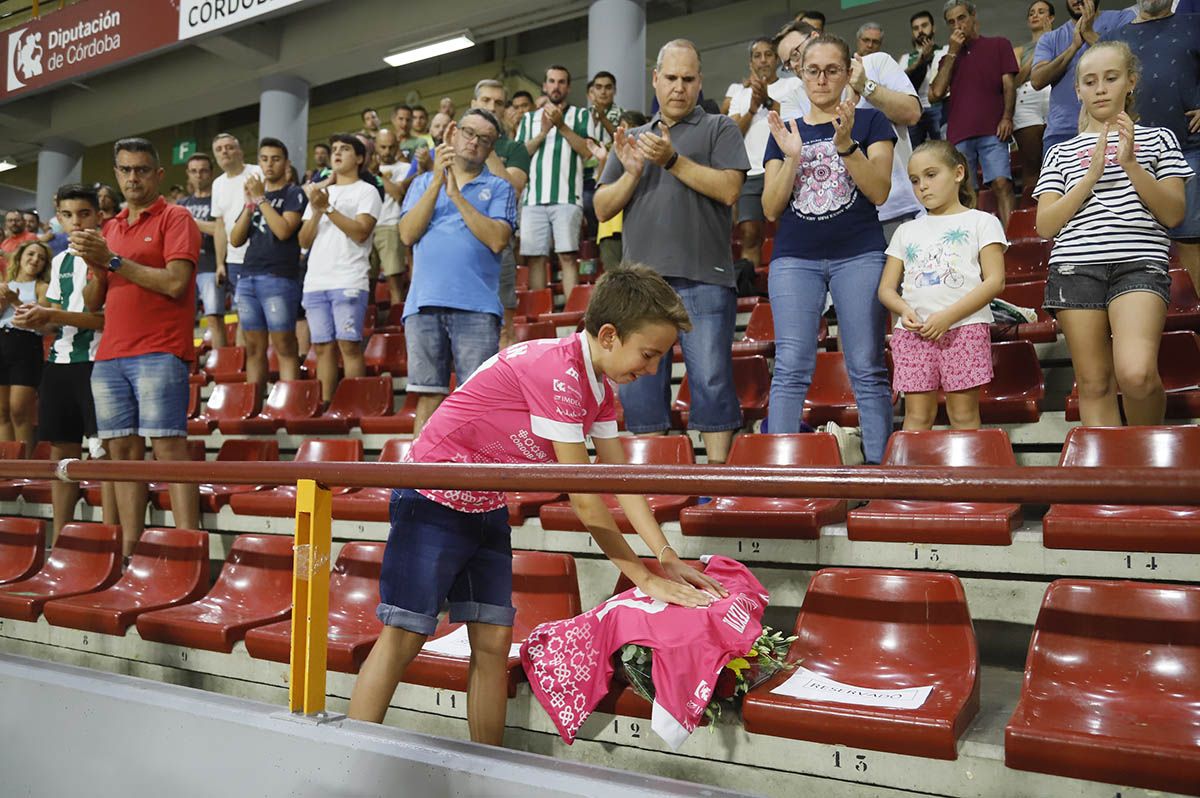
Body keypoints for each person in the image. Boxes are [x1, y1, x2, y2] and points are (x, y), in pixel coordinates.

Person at [347, 264, 726, 743]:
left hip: (483, 503)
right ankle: (349, 759)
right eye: (649, 355)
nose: (652, 370)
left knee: (492, 640)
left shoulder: (601, 388)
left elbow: (621, 478)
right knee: (403, 637)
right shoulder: (560, 374)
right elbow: (588, 503)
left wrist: (666, 557)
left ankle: (486, 768)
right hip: (431, 495)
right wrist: (645, 578)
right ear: (608, 335)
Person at [595, 39, 749, 464]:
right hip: (641, 289)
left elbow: (730, 190)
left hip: (707, 278)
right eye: (670, 78)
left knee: (712, 380)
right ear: (655, 80)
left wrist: (672, 161)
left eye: (687, 79)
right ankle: (656, 482)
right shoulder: (633, 138)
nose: (678, 87)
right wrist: (630, 175)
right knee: (640, 385)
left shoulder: (720, 128)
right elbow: (602, 207)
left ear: (700, 82)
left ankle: (718, 481)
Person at [1034, 41, 1192, 427]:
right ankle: (1112, 483)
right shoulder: (1060, 152)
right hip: (1074, 269)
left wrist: (1131, 164)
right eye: (1090, 81)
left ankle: (1145, 471)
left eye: (1111, 78)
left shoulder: (1159, 139)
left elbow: (1173, 214)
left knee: (1137, 375)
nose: (1100, 88)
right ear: (1078, 91)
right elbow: (1046, 225)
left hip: (1139, 265)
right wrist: (1089, 177)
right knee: (1093, 382)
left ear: (1131, 82)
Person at [761, 33, 896, 464]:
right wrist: (794, 157)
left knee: (866, 367)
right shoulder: (786, 130)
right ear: (800, 73)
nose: (821, 79)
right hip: (795, 257)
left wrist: (846, 146)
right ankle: (782, 472)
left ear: (847, 72)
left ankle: (879, 471)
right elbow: (769, 207)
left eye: (832, 69)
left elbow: (878, 192)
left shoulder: (872, 122)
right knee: (790, 368)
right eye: (813, 70)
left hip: (860, 252)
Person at [77, 137, 202, 557]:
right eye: (126, 170)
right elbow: (94, 301)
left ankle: (189, 551)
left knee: (168, 451)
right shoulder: (108, 229)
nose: (134, 177)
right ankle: (130, 554)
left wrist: (112, 261)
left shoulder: (177, 217)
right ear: (116, 174)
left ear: (158, 174)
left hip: (160, 350)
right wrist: (97, 264)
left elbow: (175, 283)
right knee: (121, 458)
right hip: (110, 355)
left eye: (142, 169)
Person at [400, 111, 516, 436]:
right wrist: (438, 181)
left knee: (477, 401)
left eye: (484, 139)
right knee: (428, 397)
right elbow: (407, 234)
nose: (474, 142)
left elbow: (497, 239)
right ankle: (420, 480)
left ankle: (474, 483)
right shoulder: (423, 182)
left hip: (477, 308)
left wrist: (455, 196)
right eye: (468, 132)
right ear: (453, 132)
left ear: (491, 147)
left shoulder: (499, 188)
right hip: (423, 305)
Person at [878, 141, 1008, 430]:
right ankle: (914, 475)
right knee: (917, 417)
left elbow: (996, 281)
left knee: (963, 416)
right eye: (915, 180)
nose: (922, 186)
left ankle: (966, 476)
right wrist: (903, 309)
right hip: (914, 334)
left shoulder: (982, 222)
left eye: (931, 174)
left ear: (959, 172)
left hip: (965, 329)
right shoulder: (905, 230)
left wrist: (949, 317)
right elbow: (886, 289)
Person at [12, 184, 115, 542]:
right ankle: (61, 541)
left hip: (99, 361)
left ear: (98, 215)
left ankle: (110, 539)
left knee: (104, 455)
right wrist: (34, 318)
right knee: (62, 455)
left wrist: (51, 313)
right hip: (59, 361)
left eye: (84, 214)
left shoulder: (109, 254)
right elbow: (56, 320)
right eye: (68, 215)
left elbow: (105, 320)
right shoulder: (58, 261)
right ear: (58, 217)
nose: (76, 222)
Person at [775, 22, 924, 240]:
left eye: (797, 53)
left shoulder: (876, 63)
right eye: (788, 63)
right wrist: (848, 105)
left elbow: (912, 114)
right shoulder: (793, 100)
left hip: (897, 207)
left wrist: (866, 86)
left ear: (815, 36)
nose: (796, 65)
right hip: (841, 220)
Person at [1103, 0, 1200, 289]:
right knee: (1133, 246)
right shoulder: (1113, 41)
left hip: (1189, 148)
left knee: (1192, 238)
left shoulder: (1195, 23)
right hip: (1131, 156)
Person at [298, 135, 381, 402]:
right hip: (316, 281)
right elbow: (303, 240)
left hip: (349, 278)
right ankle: (326, 406)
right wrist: (319, 208)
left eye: (344, 149)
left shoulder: (366, 191)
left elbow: (360, 232)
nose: (336, 153)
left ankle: (355, 403)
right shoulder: (322, 194)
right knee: (321, 347)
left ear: (359, 158)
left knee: (349, 345)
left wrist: (328, 207)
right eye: (334, 149)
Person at [929, 0, 1019, 228]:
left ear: (973, 16)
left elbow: (1009, 85)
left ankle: (1010, 243)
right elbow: (936, 93)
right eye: (951, 22)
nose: (958, 25)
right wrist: (951, 52)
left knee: (1002, 183)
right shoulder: (947, 58)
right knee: (967, 192)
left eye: (962, 18)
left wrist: (1007, 117)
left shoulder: (999, 44)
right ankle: (973, 244)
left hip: (993, 127)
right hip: (959, 133)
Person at [229, 138, 306, 388]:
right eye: (264, 159)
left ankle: (290, 403)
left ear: (286, 163)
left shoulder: (293, 193)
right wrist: (251, 204)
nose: (269, 164)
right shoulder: (255, 198)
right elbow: (236, 239)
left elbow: (284, 230)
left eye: (275, 159)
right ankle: (254, 406)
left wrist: (261, 199)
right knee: (252, 347)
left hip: (279, 277)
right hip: (248, 276)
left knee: (284, 344)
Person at [515, 65, 597, 296]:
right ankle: (539, 317)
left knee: (568, 256)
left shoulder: (581, 115)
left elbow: (587, 151)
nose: (556, 86)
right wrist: (542, 133)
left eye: (561, 82)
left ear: (568, 87)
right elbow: (521, 154)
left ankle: (571, 322)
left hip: (568, 195)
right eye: (552, 81)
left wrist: (561, 126)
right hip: (533, 199)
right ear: (544, 85)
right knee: (535, 258)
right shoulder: (529, 118)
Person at [470, 80, 532, 349]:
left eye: (498, 103)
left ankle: (503, 388)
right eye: (485, 101)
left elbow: (513, 188)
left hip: (499, 244)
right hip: (461, 242)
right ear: (474, 105)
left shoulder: (513, 148)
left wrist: (488, 145)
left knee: (504, 327)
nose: (491, 107)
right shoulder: (458, 145)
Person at [1031, 0, 1135, 155]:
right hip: (1062, 133)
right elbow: (1037, 80)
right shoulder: (1050, 38)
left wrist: (1089, 34)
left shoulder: (1122, 18)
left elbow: (1131, 62)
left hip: (1115, 127)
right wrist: (1073, 48)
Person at [726, 37, 780, 268]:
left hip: (780, 168)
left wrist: (766, 99)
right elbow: (732, 134)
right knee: (749, 233)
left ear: (777, 59)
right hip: (749, 171)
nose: (763, 60)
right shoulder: (739, 95)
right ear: (750, 63)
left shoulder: (792, 86)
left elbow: (789, 120)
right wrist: (752, 107)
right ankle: (750, 282)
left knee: (786, 233)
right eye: (757, 56)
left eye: (768, 54)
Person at [210, 133, 263, 347]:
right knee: (244, 314)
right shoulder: (217, 184)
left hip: (261, 253)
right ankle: (244, 367)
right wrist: (220, 263)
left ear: (239, 151)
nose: (224, 151)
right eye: (219, 149)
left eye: (229, 147)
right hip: (234, 260)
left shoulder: (257, 172)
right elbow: (220, 226)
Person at [0, 240, 49, 449]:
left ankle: (26, 466)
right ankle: (6, 466)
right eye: (31, 254)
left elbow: (43, 322)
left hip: (27, 345)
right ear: (19, 257)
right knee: (1, 412)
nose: (35, 260)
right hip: (2, 341)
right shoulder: (4, 284)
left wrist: (15, 301)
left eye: (41, 258)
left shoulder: (42, 287)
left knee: (19, 410)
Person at [177, 154, 221, 350]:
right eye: (194, 171)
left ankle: (222, 363)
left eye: (203, 170)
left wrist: (193, 223)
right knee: (182, 320)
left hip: (211, 264)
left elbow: (222, 229)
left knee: (214, 318)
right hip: (185, 267)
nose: (198, 175)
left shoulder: (218, 200)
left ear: (211, 173)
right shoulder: (182, 204)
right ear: (187, 174)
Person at [596, 111, 649, 273]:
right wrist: (603, 160)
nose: (626, 132)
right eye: (622, 127)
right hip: (610, 227)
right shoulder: (612, 152)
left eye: (632, 127)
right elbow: (601, 188)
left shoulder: (650, 154)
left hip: (637, 226)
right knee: (614, 283)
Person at [1014, 1, 1057, 193]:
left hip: (1053, 95)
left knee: (1057, 158)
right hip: (1026, 98)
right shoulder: (1020, 50)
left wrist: (1049, 41)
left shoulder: (1062, 39)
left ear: (1051, 17)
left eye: (1041, 12)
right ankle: (1031, 217)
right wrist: (1041, 46)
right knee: (1031, 163)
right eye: (1031, 13)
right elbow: (1016, 79)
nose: (1035, 15)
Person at [899, 10, 950, 147]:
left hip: (940, 107)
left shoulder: (946, 51)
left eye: (924, 25)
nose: (920, 31)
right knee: (915, 150)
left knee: (943, 148)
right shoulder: (906, 59)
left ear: (933, 28)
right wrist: (921, 60)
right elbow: (902, 83)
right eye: (916, 28)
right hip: (916, 110)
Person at [373, 128, 409, 306]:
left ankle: (397, 321)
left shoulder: (405, 168)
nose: (387, 151)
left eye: (391, 147)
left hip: (390, 225)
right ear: (375, 146)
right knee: (366, 282)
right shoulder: (363, 169)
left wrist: (378, 175)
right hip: (366, 226)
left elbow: (397, 194)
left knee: (394, 282)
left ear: (397, 146)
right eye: (383, 147)